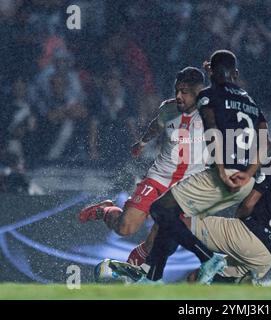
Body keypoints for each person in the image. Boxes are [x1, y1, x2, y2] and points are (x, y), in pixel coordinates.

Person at [98, 123, 271, 284]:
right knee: (198, 280)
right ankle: (242, 286)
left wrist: (239, 215)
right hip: (266, 257)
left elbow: (249, 204)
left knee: (175, 219)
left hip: (249, 236)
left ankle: (149, 274)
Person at [132, 49, 270, 283]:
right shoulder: (250, 102)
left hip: (223, 176)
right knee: (173, 216)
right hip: (246, 182)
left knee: (160, 209)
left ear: (211, 73)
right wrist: (249, 173)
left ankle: (208, 258)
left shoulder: (208, 95)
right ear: (234, 73)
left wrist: (222, 170)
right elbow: (266, 140)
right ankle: (152, 277)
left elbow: (212, 130)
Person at [78, 67, 207, 261]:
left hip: (187, 187)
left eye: (185, 92)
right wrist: (143, 142)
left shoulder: (213, 112)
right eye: (176, 91)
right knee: (125, 227)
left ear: (199, 91)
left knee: (161, 242)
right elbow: (157, 124)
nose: (179, 96)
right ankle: (103, 210)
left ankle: (133, 271)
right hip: (159, 178)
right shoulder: (168, 108)